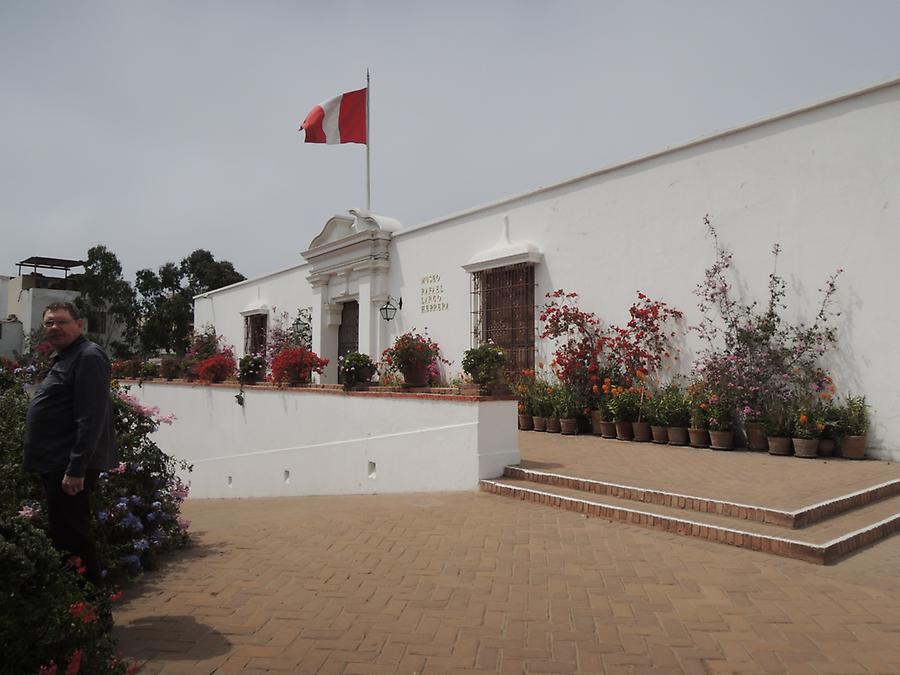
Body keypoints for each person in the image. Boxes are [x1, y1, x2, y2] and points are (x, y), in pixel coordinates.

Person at [24, 301, 117, 586]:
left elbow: (91, 417)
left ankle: (91, 609)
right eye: (49, 323)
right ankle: (78, 603)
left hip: (68, 465)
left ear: (79, 324)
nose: (55, 327)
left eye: (62, 321)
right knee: (65, 534)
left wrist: (76, 468)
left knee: (73, 536)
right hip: (55, 462)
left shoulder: (88, 356)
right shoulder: (66, 356)